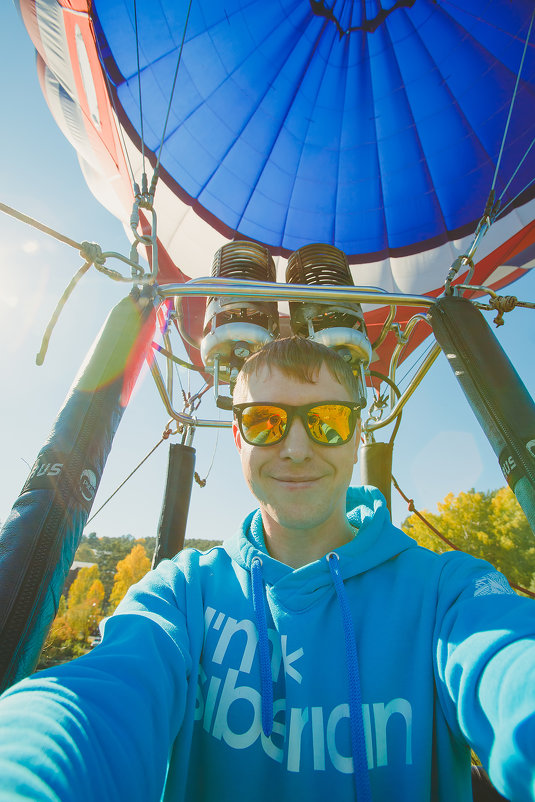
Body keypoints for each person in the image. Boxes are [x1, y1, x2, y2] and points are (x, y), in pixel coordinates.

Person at [0, 335, 534, 801]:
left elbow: (510, 666)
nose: (296, 448)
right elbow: (93, 705)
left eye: (326, 420)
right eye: (264, 421)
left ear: (356, 437)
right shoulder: (180, 595)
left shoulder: (448, 594)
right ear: (237, 438)